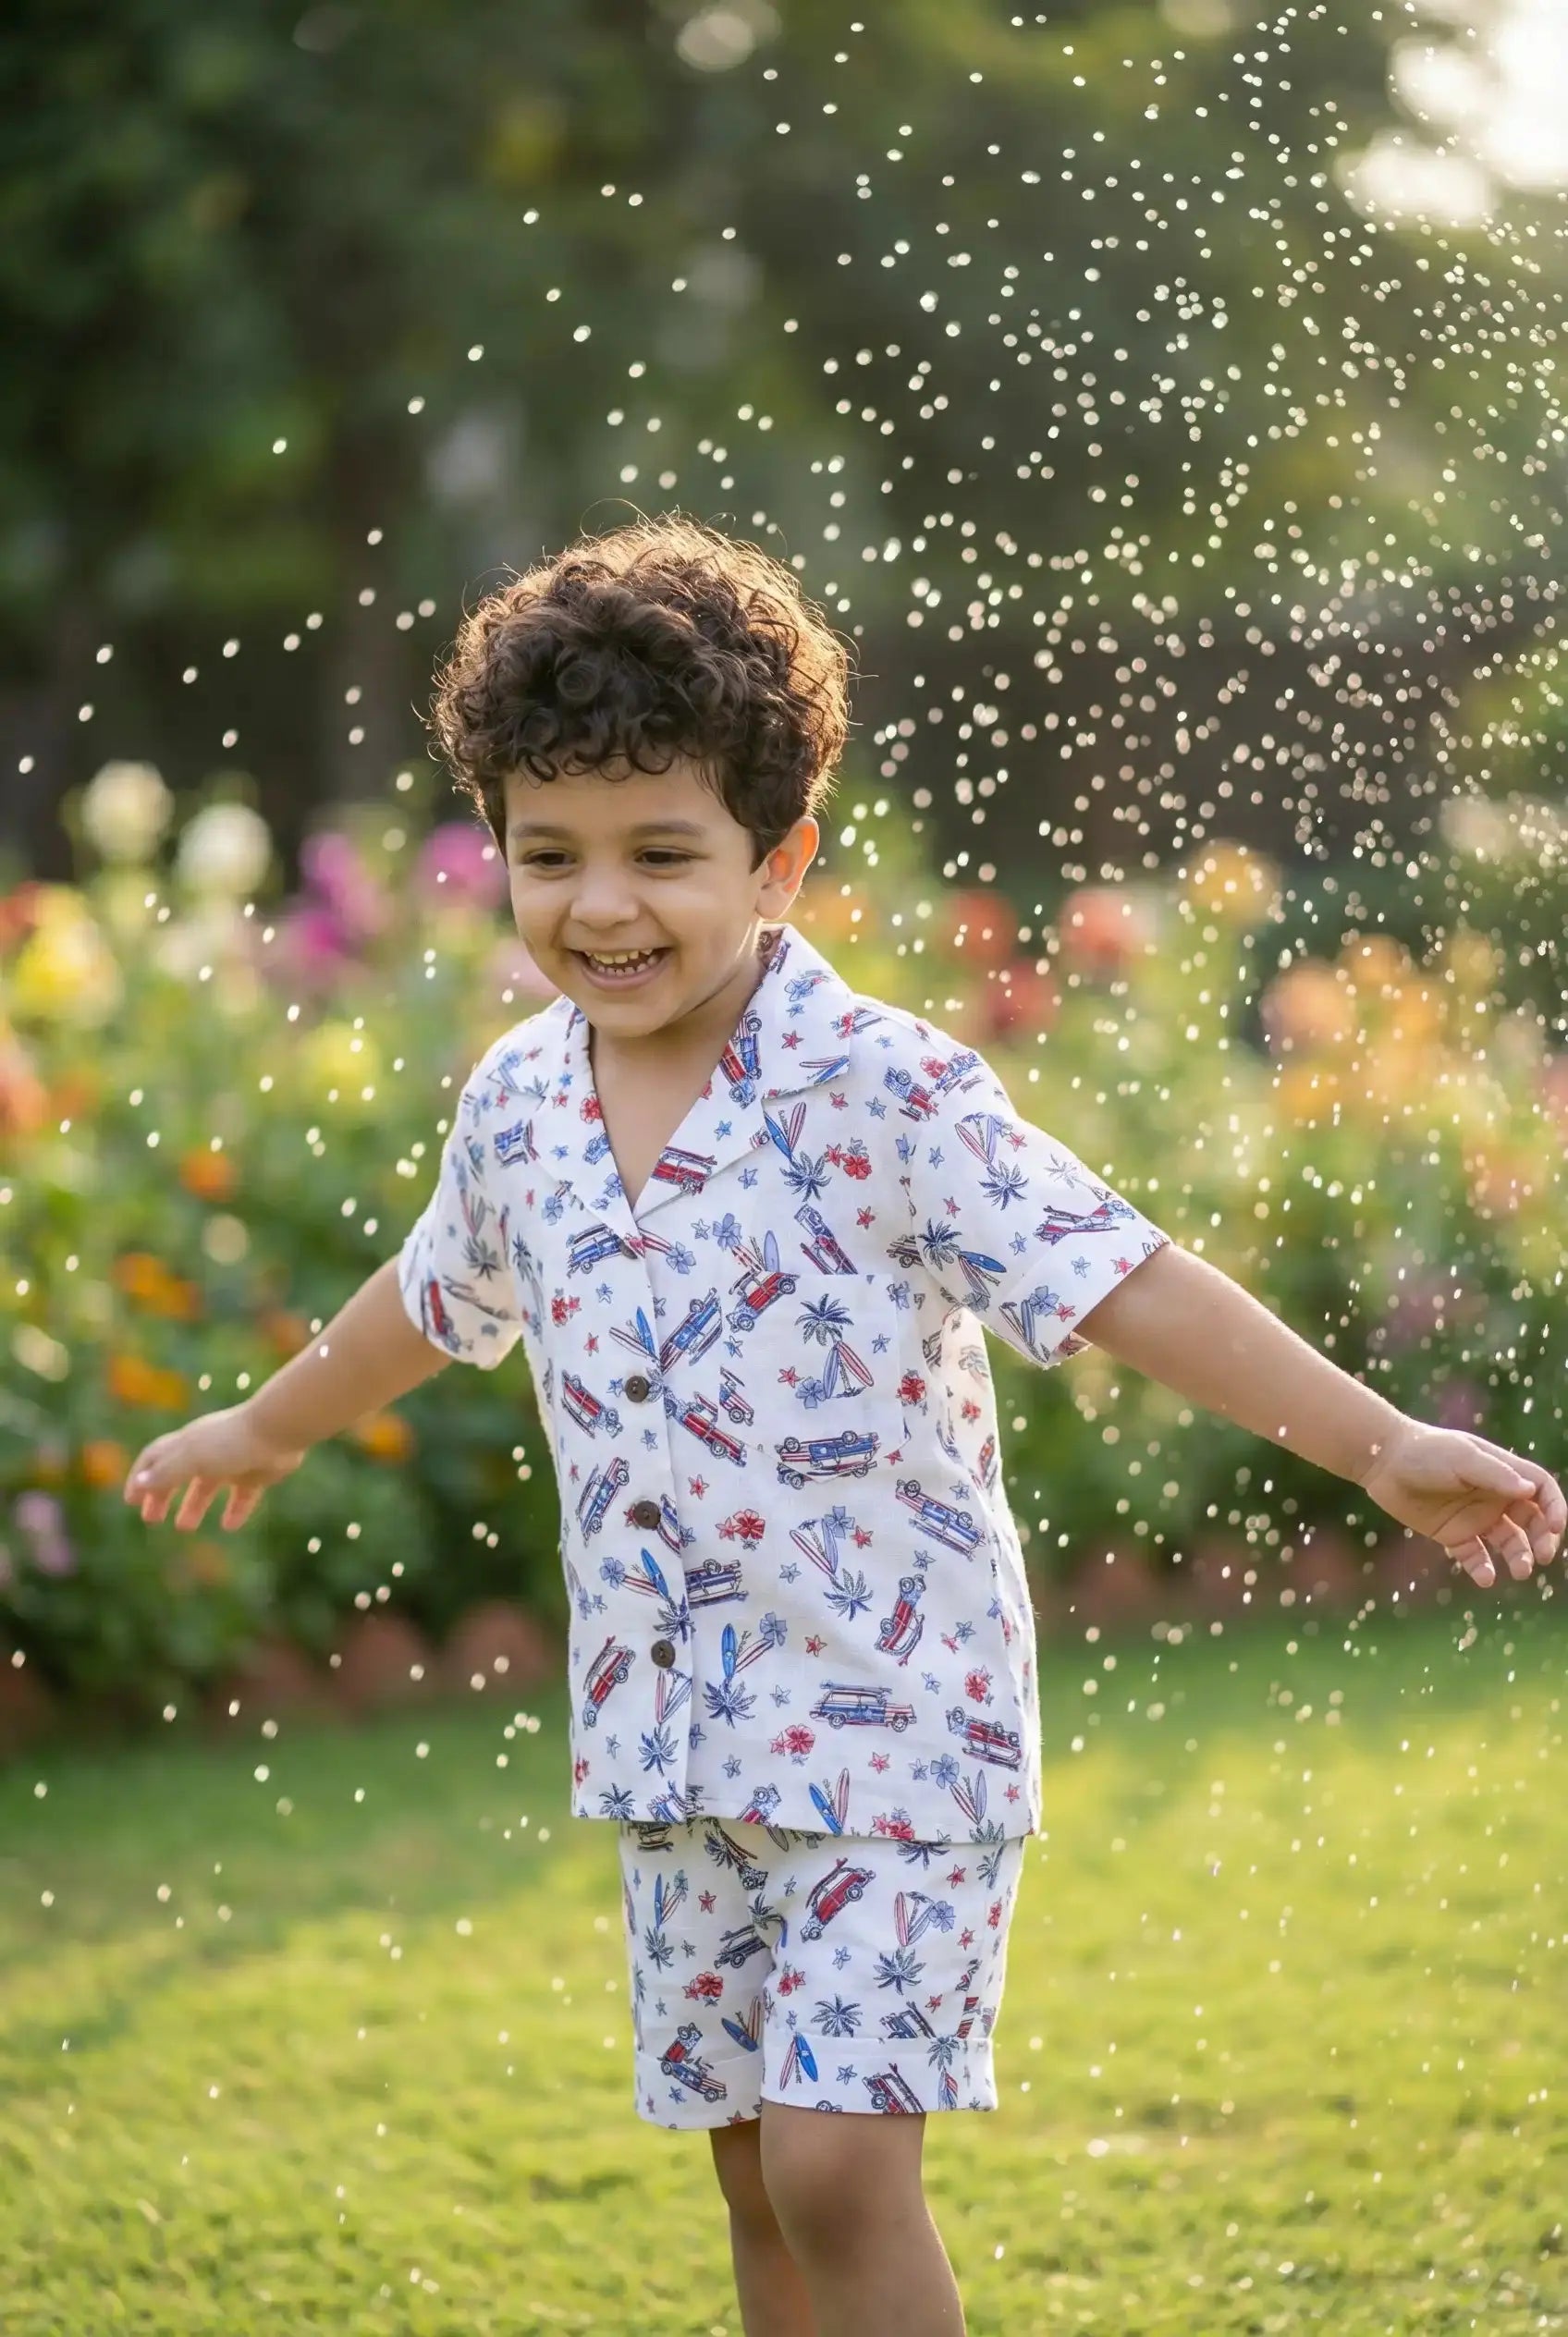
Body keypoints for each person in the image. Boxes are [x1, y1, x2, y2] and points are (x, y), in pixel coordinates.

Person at [125, 512, 1562, 2337]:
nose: (600, 906)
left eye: (662, 853)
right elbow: (430, 1298)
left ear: (779, 860)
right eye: (549, 856)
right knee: (750, 2170)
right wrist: (263, 1424)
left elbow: (1117, 1274)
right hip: (674, 1741)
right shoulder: (517, 1105)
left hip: (901, 1731)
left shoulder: (883, 1090)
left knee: (834, 2169)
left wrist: (1376, 1445)